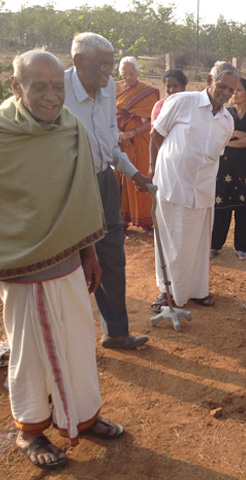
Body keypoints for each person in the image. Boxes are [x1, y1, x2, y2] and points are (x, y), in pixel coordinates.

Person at [0, 50, 124, 470]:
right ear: (16, 88)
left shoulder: (70, 127)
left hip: (68, 262)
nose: (52, 97)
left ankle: (82, 417)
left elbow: (81, 196)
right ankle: (30, 430)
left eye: (57, 87)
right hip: (20, 266)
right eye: (39, 87)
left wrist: (88, 251)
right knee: (30, 350)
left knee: (77, 340)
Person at [65, 32, 150, 350]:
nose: (109, 72)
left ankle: (115, 332)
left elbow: (110, 145)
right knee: (70, 262)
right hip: (70, 189)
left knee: (112, 256)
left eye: (111, 64)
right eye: (102, 65)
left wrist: (135, 173)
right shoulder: (56, 90)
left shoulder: (109, 87)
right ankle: (72, 342)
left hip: (104, 182)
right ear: (78, 63)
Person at [149, 61, 238, 312]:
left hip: (203, 190)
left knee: (197, 245)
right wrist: (152, 170)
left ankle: (197, 290)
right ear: (210, 80)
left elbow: (215, 155)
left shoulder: (226, 120)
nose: (226, 93)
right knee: (170, 241)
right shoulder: (181, 101)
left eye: (231, 90)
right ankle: (165, 291)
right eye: (222, 86)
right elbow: (156, 135)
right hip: (172, 184)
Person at [210, 78, 246, 260]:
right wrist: (235, 135)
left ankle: (241, 248)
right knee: (220, 208)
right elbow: (216, 136)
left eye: (239, 90)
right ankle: (214, 245)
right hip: (225, 169)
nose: (235, 94)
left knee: (243, 211)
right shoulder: (225, 113)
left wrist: (226, 142)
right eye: (233, 90)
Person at [116, 56, 159, 235]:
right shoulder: (114, 88)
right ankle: (123, 219)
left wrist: (132, 132)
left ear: (138, 73)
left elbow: (153, 119)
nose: (128, 77)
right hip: (119, 142)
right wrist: (117, 134)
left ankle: (147, 221)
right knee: (121, 180)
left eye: (132, 73)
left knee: (140, 178)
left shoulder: (147, 92)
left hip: (140, 142)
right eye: (125, 73)